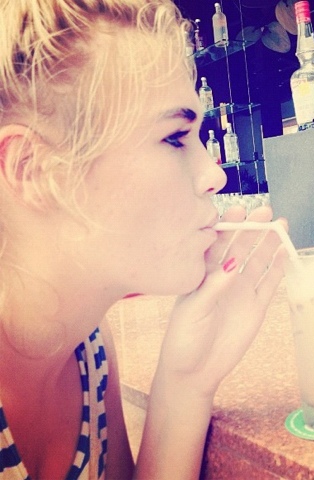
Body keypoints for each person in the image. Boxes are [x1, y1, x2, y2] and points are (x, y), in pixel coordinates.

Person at [0, 1, 287, 478]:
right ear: (32, 169)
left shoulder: (87, 346)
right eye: (175, 137)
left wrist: (186, 381)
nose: (214, 175)